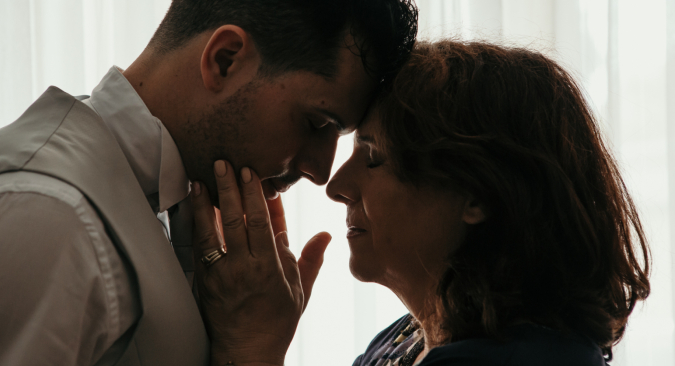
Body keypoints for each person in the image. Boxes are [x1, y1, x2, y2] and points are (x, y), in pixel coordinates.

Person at [0, 0, 417, 365]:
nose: (321, 171)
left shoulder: (164, 215)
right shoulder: (46, 221)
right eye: (315, 124)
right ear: (225, 59)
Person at [191, 39, 651, 366]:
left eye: (371, 158)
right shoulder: (406, 339)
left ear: (476, 193)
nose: (336, 186)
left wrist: (253, 347)